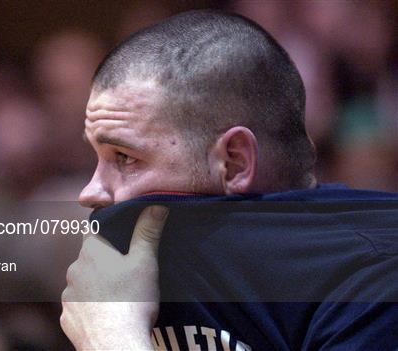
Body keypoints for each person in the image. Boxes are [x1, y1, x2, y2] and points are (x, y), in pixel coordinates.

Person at [60, 9, 398, 350]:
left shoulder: (375, 282)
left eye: (126, 158)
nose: (89, 193)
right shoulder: (130, 281)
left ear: (234, 162)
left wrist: (110, 339)